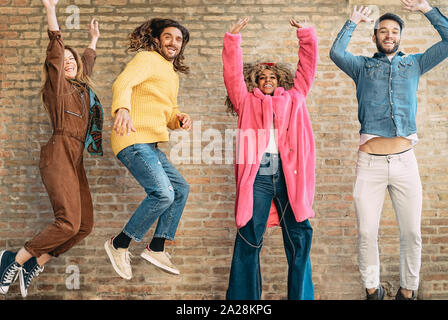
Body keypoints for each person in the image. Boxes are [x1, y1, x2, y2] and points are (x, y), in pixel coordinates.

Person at [330, 0, 448, 300]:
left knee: (412, 233)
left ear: (400, 36)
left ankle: (407, 292)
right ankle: (373, 290)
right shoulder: (362, 66)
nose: (389, 35)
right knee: (367, 233)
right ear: (375, 37)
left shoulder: (415, 63)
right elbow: (336, 53)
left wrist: (426, 9)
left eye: (394, 31)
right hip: (369, 163)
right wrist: (352, 22)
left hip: (406, 162)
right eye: (383, 31)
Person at [0, 0, 103, 298]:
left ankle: (36, 263)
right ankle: (14, 259)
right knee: (68, 222)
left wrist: (92, 43)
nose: (69, 61)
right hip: (58, 153)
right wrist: (51, 10)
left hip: (76, 159)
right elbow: (57, 51)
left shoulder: (83, 90)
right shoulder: (57, 89)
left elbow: (85, 63)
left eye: (73, 59)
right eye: (65, 59)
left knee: (83, 226)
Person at [223, 17, 317, 300]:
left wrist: (305, 35)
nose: (266, 81)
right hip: (260, 177)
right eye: (262, 78)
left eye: (272, 77)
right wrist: (233, 39)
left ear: (281, 81)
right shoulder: (246, 101)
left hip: (291, 177)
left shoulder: (295, 97)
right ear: (256, 81)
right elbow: (232, 75)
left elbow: (307, 68)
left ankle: (302, 297)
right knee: (249, 236)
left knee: (299, 237)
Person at [105, 18, 191, 280]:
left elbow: (170, 112)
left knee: (180, 189)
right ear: (156, 39)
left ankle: (157, 247)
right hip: (132, 138)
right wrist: (122, 108)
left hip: (150, 144)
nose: (173, 43)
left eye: (178, 39)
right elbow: (122, 84)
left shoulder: (170, 73)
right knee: (163, 194)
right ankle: (119, 244)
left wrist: (179, 119)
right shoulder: (147, 59)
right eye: (168, 37)